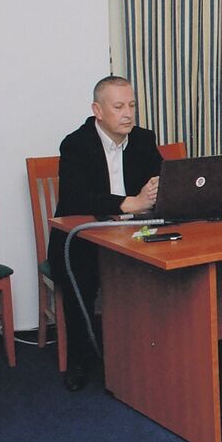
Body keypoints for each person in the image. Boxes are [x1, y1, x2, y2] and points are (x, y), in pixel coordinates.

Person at [49, 76, 163, 391]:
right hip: (83, 237)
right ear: (97, 111)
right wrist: (129, 202)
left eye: (132, 105)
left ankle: (153, 349)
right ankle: (80, 359)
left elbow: (160, 180)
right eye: (119, 107)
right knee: (81, 275)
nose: (128, 114)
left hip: (133, 233)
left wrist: (157, 190)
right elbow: (75, 198)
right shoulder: (76, 143)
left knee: (170, 263)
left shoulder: (143, 139)